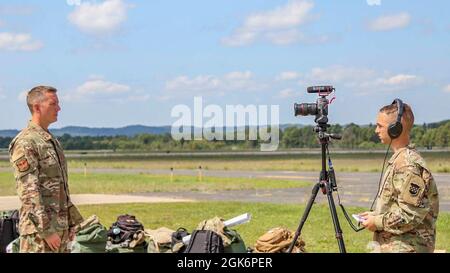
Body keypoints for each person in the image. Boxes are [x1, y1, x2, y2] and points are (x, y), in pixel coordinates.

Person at [9, 86, 84, 253]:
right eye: (53, 104)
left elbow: (61, 188)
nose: (59, 108)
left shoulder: (50, 141)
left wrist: (70, 222)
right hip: (40, 235)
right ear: (37, 107)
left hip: (59, 230)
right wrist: (47, 231)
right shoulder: (26, 142)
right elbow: (29, 193)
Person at [359, 99, 439, 253]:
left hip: (406, 248)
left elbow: (410, 214)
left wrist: (377, 221)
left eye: (380, 126)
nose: (376, 130)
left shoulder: (407, 165)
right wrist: (375, 215)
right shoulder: (400, 160)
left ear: (395, 129)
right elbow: (399, 205)